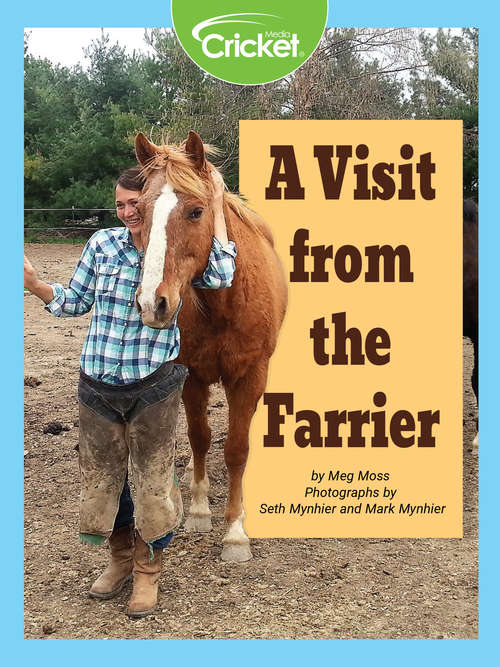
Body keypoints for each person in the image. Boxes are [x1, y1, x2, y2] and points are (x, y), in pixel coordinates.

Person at [24, 166, 236, 618]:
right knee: (105, 483)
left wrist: (215, 206)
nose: (126, 213)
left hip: (153, 385)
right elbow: (76, 301)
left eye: (134, 205)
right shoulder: (101, 245)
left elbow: (221, 273)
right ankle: (119, 560)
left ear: (154, 204)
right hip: (97, 384)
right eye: (119, 204)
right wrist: (36, 285)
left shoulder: (173, 248)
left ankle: (148, 570)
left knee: (155, 485)